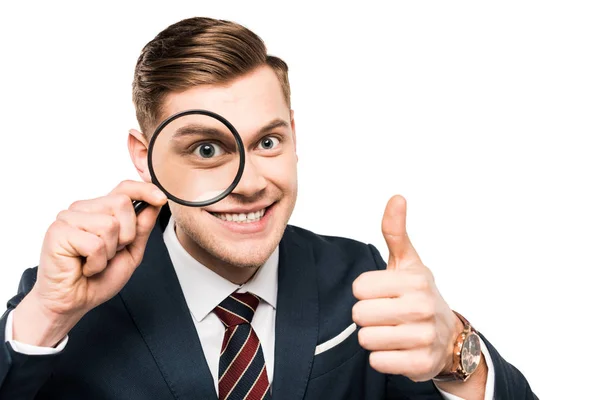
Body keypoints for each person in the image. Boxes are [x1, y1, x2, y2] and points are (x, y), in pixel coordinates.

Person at [0, 17, 537, 400]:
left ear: (295, 136)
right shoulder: (66, 297)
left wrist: (454, 359)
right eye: (206, 149)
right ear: (147, 158)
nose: (251, 183)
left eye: (268, 142)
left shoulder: (361, 278)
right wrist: (46, 317)